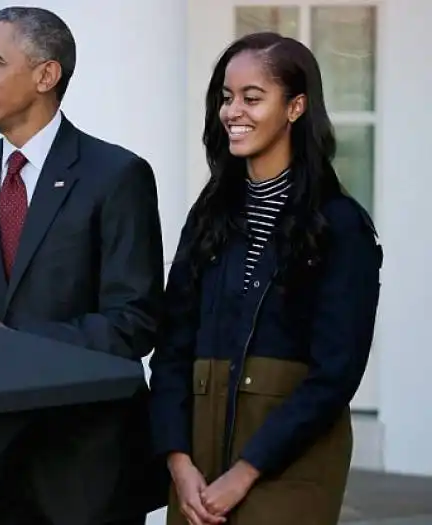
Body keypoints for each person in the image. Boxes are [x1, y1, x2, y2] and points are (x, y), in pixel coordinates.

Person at [0, 6, 166, 525]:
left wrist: (8, 337)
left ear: (45, 75)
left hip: (83, 468)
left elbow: (133, 322)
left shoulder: (117, 175)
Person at [148, 31, 383, 525]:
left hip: (290, 462)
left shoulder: (341, 225)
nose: (233, 111)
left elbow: (336, 371)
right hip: (197, 464)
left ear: (296, 107)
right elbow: (172, 347)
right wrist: (178, 460)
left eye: (252, 98)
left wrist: (246, 471)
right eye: (226, 98)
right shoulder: (209, 216)